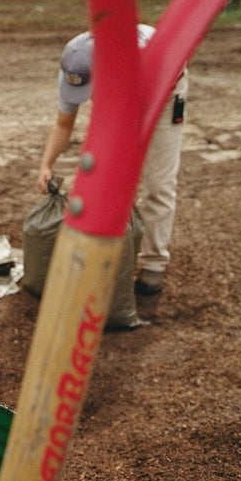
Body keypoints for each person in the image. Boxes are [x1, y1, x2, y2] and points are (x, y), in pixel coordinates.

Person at [36, 24, 189, 296]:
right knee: (110, 178)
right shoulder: (75, 68)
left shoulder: (137, 63)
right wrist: (46, 164)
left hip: (164, 86)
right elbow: (63, 124)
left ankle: (154, 263)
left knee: (158, 181)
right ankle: (112, 256)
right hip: (120, 89)